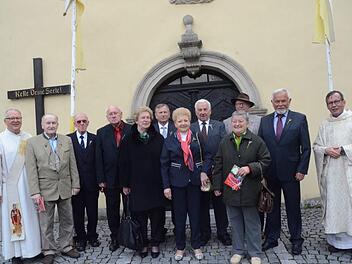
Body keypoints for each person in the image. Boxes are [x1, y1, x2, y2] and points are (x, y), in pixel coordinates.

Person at [213, 111, 271, 264]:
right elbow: (218, 164)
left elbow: (266, 161)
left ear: (247, 123)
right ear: (231, 124)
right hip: (231, 190)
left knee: (252, 223)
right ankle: (238, 251)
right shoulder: (225, 141)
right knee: (235, 222)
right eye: (234, 122)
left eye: (240, 122)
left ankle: (255, 253)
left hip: (251, 190)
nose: (237, 124)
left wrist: (250, 168)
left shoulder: (257, 141)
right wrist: (217, 186)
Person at [258, 88, 311, 255]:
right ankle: (272, 238)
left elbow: (306, 148)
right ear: (272, 102)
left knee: (293, 208)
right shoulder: (265, 121)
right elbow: (261, 148)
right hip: (270, 173)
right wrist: (261, 171)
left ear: (289, 101)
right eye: (277, 101)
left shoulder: (299, 119)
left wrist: (302, 169)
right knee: (272, 208)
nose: (280, 104)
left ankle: (296, 240)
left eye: (283, 101)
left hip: (292, 173)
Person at [25, 114, 81, 264]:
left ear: (57, 124)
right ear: (42, 125)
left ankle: (66, 245)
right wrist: (35, 192)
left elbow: (72, 164)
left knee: (67, 219)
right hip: (44, 190)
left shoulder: (66, 140)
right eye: (48, 123)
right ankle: (48, 250)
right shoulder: (32, 143)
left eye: (54, 123)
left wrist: (75, 184)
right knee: (46, 222)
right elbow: (31, 170)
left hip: (64, 187)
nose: (51, 125)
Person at [161, 107, 211, 261]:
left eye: (186, 120)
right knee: (180, 217)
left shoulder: (197, 136)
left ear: (190, 121)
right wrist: (166, 186)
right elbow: (164, 164)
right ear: (175, 123)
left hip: (195, 181)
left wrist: (204, 171)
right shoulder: (170, 140)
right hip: (177, 183)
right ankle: (180, 247)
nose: (183, 123)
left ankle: (196, 245)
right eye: (179, 121)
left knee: (196, 215)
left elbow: (207, 155)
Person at [119, 106, 165, 258]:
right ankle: (143, 243)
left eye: (148, 118)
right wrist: (125, 184)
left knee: (157, 215)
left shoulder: (158, 138)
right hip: (136, 184)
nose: (146, 120)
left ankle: (156, 243)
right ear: (137, 120)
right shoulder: (128, 139)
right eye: (143, 117)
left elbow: (164, 162)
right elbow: (123, 163)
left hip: (156, 183)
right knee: (140, 217)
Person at [0, 109, 41, 264]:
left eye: (18, 117)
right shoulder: (1, 139)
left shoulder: (28, 138)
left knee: (31, 219)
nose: (16, 121)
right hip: (10, 188)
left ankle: (33, 251)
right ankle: (16, 254)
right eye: (12, 118)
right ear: (5, 121)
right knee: (15, 219)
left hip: (28, 186)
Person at [313, 90, 352, 252]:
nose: (334, 105)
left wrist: (344, 149)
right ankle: (335, 242)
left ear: (343, 102)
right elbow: (316, 146)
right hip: (331, 174)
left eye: (337, 101)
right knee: (333, 206)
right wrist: (326, 150)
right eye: (330, 103)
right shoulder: (325, 124)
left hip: (348, 172)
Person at [190, 99, 231, 246]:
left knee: (220, 204)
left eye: (205, 109)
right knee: (202, 204)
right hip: (199, 173)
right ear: (196, 112)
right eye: (199, 110)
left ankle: (222, 232)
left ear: (210, 111)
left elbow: (225, 147)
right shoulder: (190, 127)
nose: (202, 112)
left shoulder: (219, 126)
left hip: (217, 171)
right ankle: (205, 233)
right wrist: (200, 171)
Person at [95, 106, 131, 251]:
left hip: (128, 178)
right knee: (112, 209)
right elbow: (99, 157)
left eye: (116, 113)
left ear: (121, 114)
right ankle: (115, 237)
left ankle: (131, 235)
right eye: (110, 114)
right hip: (110, 179)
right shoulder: (102, 132)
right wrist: (101, 179)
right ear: (107, 117)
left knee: (130, 208)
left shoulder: (131, 129)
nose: (113, 116)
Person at [67, 113, 100, 252]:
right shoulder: (68, 139)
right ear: (74, 123)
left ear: (88, 123)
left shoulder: (95, 138)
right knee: (78, 213)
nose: (81, 123)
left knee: (93, 212)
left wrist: (100, 181)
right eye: (79, 121)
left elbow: (99, 161)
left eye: (84, 121)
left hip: (92, 184)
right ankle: (80, 238)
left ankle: (92, 236)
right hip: (76, 185)